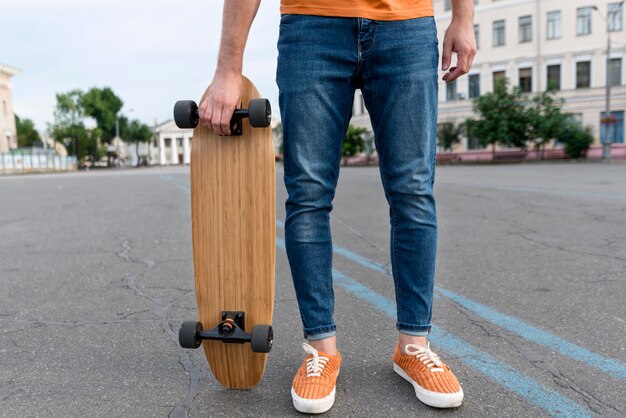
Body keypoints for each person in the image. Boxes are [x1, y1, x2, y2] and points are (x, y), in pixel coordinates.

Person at [199, 0, 476, 413]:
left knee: (413, 191)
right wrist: (227, 68)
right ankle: (320, 350)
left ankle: (413, 346)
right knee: (308, 194)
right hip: (312, 26)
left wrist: (463, 17)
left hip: (407, 26)